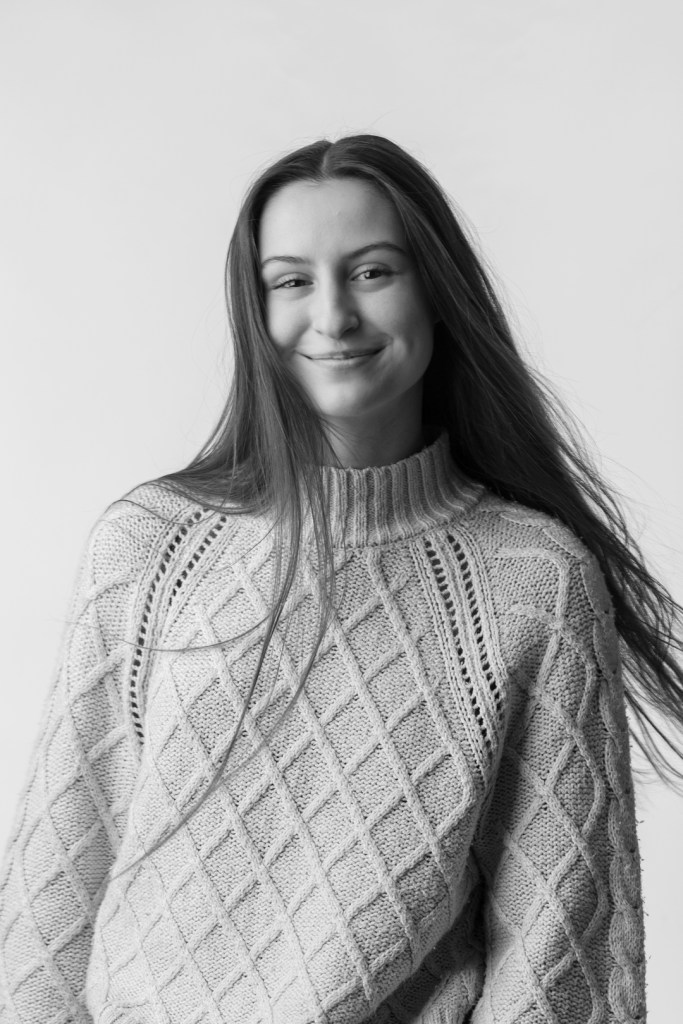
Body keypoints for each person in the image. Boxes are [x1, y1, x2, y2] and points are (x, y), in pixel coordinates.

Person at [0, 134, 680, 1024]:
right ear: (255, 309)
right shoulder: (149, 549)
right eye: (290, 280)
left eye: (371, 272)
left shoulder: (534, 583)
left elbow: (561, 952)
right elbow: (57, 876)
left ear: (436, 291)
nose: (332, 317)